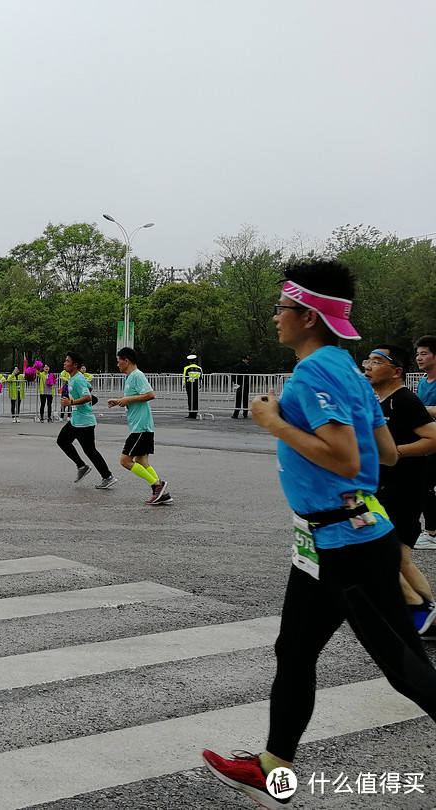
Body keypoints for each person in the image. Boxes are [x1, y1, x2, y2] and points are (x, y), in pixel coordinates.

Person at [202, 259, 436, 808]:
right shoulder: (349, 368)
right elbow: (383, 453)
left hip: (348, 546)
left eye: (282, 308)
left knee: (407, 671)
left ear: (307, 315)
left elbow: (347, 454)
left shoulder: (315, 373)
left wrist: (277, 425)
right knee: (294, 651)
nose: (275, 317)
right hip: (324, 542)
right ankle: (272, 766)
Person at [364, 344, 436, 633]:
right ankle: (427, 618)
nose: (368, 365)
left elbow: (433, 439)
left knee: (385, 555)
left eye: (377, 361)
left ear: (397, 371)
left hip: (403, 489)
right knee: (398, 558)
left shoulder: (404, 400)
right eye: (367, 360)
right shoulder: (379, 401)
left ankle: (421, 613)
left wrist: (395, 453)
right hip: (382, 487)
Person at [107, 347, 170, 505]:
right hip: (140, 426)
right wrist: (120, 401)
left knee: (125, 460)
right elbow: (134, 398)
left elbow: (150, 394)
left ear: (126, 361)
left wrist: (128, 400)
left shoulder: (137, 375)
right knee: (142, 461)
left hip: (141, 427)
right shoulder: (130, 378)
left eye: (119, 361)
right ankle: (162, 493)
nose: (118, 365)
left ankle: (157, 486)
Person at [58, 351, 116, 489]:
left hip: (84, 422)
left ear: (75, 365)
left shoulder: (77, 379)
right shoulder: (75, 378)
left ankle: (106, 476)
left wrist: (70, 403)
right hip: (77, 421)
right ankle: (83, 466)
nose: (65, 363)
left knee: (89, 450)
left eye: (67, 361)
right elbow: (88, 389)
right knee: (63, 441)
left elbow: (88, 397)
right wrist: (86, 387)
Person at [415, 335, 436, 549]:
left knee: (426, 485)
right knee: (425, 484)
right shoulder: (422, 382)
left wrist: (429, 411)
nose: (419, 358)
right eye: (418, 354)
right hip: (428, 442)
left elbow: (424, 411)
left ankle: (431, 533)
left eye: (424, 353)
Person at [183, 354, 201, 418]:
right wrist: (200, 384)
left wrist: (183, 385)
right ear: (195, 360)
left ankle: (191, 413)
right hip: (196, 384)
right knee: (195, 398)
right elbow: (201, 377)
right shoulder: (199, 368)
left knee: (190, 399)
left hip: (189, 384)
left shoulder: (187, 368)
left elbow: (184, 377)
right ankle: (195, 412)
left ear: (189, 361)